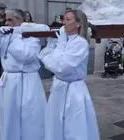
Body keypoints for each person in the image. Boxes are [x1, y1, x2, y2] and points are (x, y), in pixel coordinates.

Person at [39, 9, 100, 140]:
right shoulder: (65, 40)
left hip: (73, 89)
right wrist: (52, 47)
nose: (63, 23)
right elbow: (45, 57)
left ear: (78, 24)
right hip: (59, 88)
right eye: (64, 19)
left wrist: (57, 49)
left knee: (74, 125)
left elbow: (61, 67)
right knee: (55, 122)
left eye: (68, 20)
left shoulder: (80, 43)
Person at [0, 9, 46, 140]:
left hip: (28, 80)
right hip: (9, 81)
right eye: (6, 20)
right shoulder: (4, 35)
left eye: (11, 20)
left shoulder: (32, 36)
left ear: (20, 21)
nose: (7, 23)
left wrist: (14, 37)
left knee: (30, 116)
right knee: (9, 117)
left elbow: (26, 56)